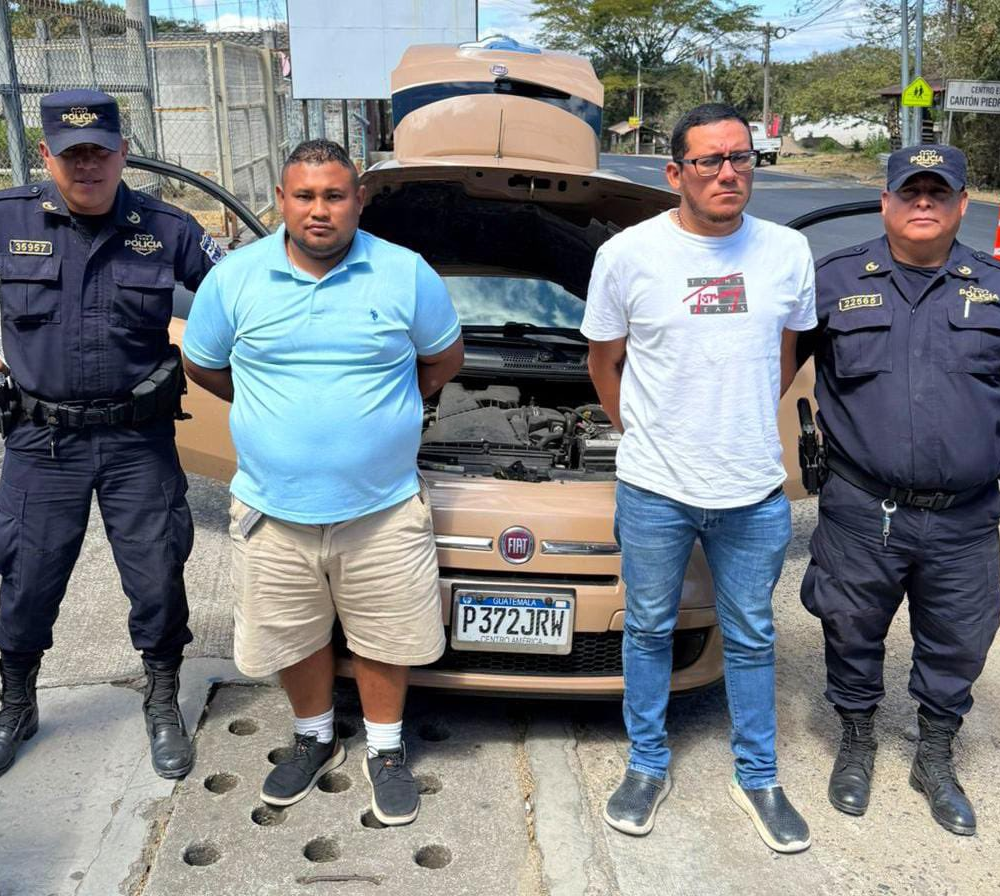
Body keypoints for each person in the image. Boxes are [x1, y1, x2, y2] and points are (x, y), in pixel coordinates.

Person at [182, 139, 464, 824]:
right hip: (273, 509)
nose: (319, 210)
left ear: (358, 200)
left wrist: (381, 420)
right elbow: (204, 364)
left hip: (382, 507)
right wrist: (273, 414)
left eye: (334, 195)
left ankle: (387, 749)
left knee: (384, 634)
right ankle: (314, 738)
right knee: (294, 632)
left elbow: (442, 358)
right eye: (304, 195)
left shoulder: (406, 273)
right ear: (280, 200)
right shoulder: (236, 278)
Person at [582, 103, 815, 852]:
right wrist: (647, 434)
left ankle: (759, 778)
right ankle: (647, 764)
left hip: (752, 492)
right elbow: (603, 363)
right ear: (675, 171)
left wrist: (737, 421)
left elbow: (784, 355)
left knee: (751, 636)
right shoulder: (627, 255)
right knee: (647, 629)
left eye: (741, 158)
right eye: (710, 161)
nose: (728, 173)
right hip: (654, 489)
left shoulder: (786, 253)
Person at [0, 90, 221, 779]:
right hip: (41, 440)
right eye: (72, 155)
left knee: (157, 574)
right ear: (45, 155)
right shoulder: (6, 222)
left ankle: (161, 700)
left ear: (124, 151)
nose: (87, 166)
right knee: (25, 577)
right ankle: (15, 700)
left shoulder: (170, 228)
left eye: (100, 151)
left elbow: (239, 303)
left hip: (138, 440)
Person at [801, 144, 1000, 837]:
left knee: (959, 643)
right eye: (908, 191)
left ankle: (935, 755)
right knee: (850, 629)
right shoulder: (831, 281)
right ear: (884, 201)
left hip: (968, 517)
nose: (923, 203)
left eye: (937, 192)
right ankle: (857, 741)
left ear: (961, 205)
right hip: (862, 508)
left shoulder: (994, 286)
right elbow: (754, 368)